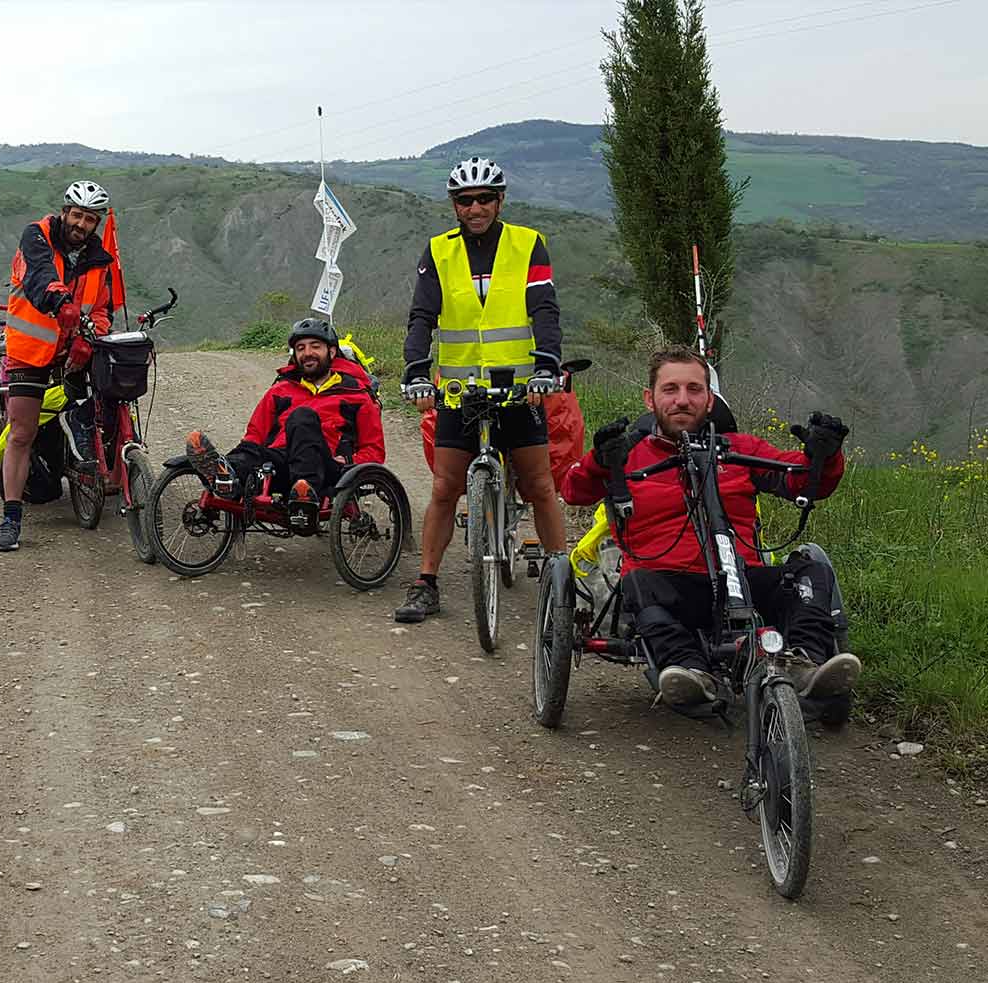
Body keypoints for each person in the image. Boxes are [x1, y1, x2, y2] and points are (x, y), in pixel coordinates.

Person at [560, 346, 862, 708]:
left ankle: (804, 666)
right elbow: (573, 490)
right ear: (650, 399)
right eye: (670, 389)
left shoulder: (740, 449)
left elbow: (802, 481)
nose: (682, 400)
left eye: (694, 390)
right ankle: (691, 673)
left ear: (709, 399)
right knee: (638, 581)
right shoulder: (627, 454)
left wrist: (822, 457)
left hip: (742, 581)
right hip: (669, 586)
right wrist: (600, 461)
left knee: (810, 572)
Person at [395, 156, 567, 624]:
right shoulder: (438, 251)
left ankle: (561, 581)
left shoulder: (528, 244)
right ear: (454, 205)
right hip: (458, 390)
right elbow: (422, 317)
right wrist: (415, 371)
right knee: (446, 486)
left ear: (500, 200)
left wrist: (547, 365)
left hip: (519, 389)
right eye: (465, 200)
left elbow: (544, 310)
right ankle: (426, 582)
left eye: (485, 198)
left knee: (539, 485)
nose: (476, 208)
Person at [0, 180, 117, 552]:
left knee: (97, 409)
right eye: (77, 215)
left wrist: (87, 337)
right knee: (22, 431)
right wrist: (59, 300)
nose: (81, 224)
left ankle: (101, 471)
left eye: (90, 219)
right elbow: (39, 276)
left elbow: (101, 309)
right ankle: (11, 518)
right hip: (29, 350)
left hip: (72, 351)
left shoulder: (100, 260)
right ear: (64, 212)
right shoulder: (36, 236)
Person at [185, 318, 384, 533]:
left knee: (302, 417)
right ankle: (227, 475)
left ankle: (305, 497)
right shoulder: (280, 390)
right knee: (254, 451)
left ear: (332, 352)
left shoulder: (356, 395)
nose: (307, 353)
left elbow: (375, 450)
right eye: (300, 348)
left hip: (327, 468)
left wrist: (348, 460)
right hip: (281, 464)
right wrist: (246, 458)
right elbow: (255, 434)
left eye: (315, 346)